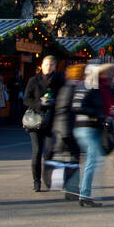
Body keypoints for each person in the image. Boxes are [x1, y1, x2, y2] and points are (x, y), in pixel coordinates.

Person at [70, 63, 111, 207]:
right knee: (92, 161)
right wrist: (97, 114)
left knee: (89, 160)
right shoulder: (88, 87)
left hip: (84, 127)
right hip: (87, 127)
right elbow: (77, 106)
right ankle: (84, 194)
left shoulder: (86, 86)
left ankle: (77, 190)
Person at [24, 55, 64, 193]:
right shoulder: (33, 80)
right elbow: (26, 99)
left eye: (51, 65)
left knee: (49, 152)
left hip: (51, 121)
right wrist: (39, 104)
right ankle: (36, 181)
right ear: (42, 65)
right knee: (36, 152)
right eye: (46, 64)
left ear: (55, 66)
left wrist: (54, 103)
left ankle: (48, 179)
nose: (49, 67)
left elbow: (63, 97)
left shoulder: (59, 80)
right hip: (36, 121)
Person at [50, 64, 84, 200]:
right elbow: (74, 109)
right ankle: (72, 188)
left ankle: (64, 185)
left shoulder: (66, 87)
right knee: (74, 159)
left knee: (66, 158)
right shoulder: (74, 88)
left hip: (60, 128)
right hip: (68, 128)